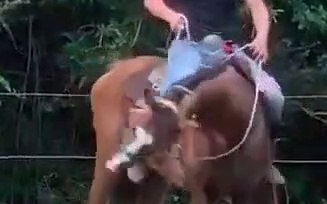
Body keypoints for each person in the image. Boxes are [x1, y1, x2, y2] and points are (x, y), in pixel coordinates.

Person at [113, 0, 285, 182]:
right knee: (167, 95)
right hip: (189, 46)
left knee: (275, 96)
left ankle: (265, 161)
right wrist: (170, 16)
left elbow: (257, 5)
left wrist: (261, 38)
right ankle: (140, 151)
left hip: (228, 49)